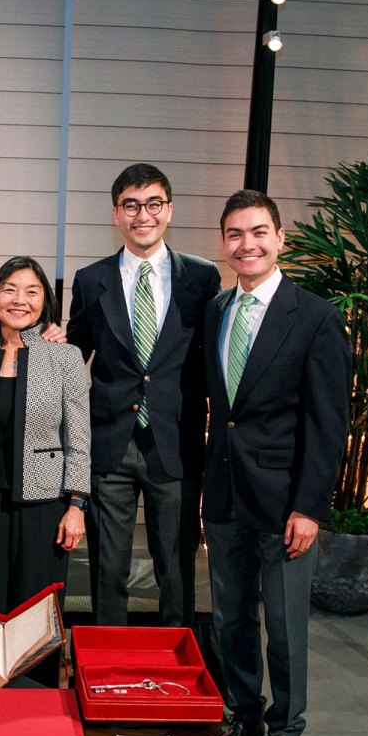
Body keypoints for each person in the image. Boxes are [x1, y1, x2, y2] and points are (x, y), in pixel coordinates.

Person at [200, 190, 351, 736]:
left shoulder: (314, 316)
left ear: (281, 238)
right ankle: (245, 716)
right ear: (224, 244)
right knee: (231, 618)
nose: (247, 245)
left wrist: (310, 507)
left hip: (286, 501)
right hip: (226, 495)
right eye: (235, 234)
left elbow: (327, 421)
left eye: (258, 232)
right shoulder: (215, 311)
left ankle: (286, 730)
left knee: (284, 626)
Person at [66, 163, 220, 627]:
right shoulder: (91, 279)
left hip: (175, 441)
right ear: (116, 214)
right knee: (107, 567)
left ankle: (173, 661)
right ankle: (106, 660)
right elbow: (74, 354)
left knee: (175, 565)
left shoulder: (202, 278)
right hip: (110, 442)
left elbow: (210, 356)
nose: (142, 214)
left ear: (169, 210)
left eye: (153, 203)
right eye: (131, 205)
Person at [0, 255, 90, 612]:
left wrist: (77, 505)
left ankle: (37, 672)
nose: (20, 300)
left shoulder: (65, 356)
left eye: (32, 292)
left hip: (46, 505)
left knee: (38, 609)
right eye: (10, 290)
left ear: (45, 301)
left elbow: (79, 439)